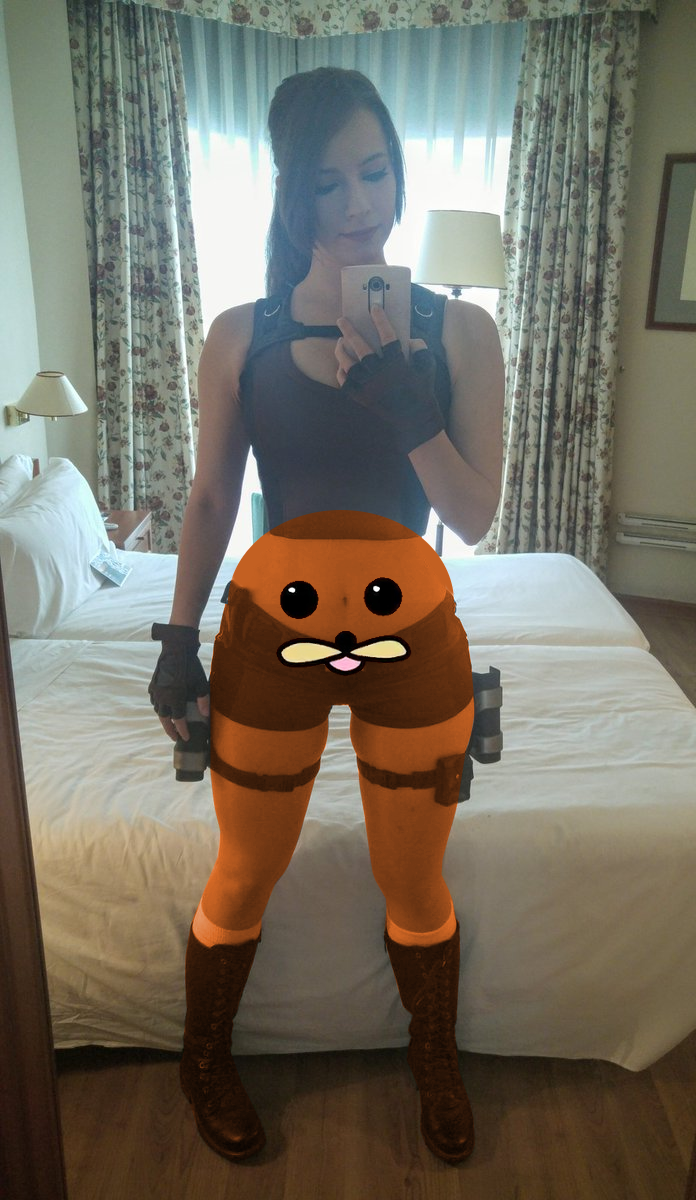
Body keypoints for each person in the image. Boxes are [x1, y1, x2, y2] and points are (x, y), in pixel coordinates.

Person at [149, 66, 504, 1166]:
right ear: (288, 191)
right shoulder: (239, 334)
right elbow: (212, 497)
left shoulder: (460, 331)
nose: (358, 204)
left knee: (414, 876)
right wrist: (176, 640)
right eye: (325, 182)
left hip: (414, 640)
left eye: (376, 172)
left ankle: (433, 1057)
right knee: (245, 869)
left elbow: (474, 515)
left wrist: (411, 412)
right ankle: (203, 1058)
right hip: (273, 639)